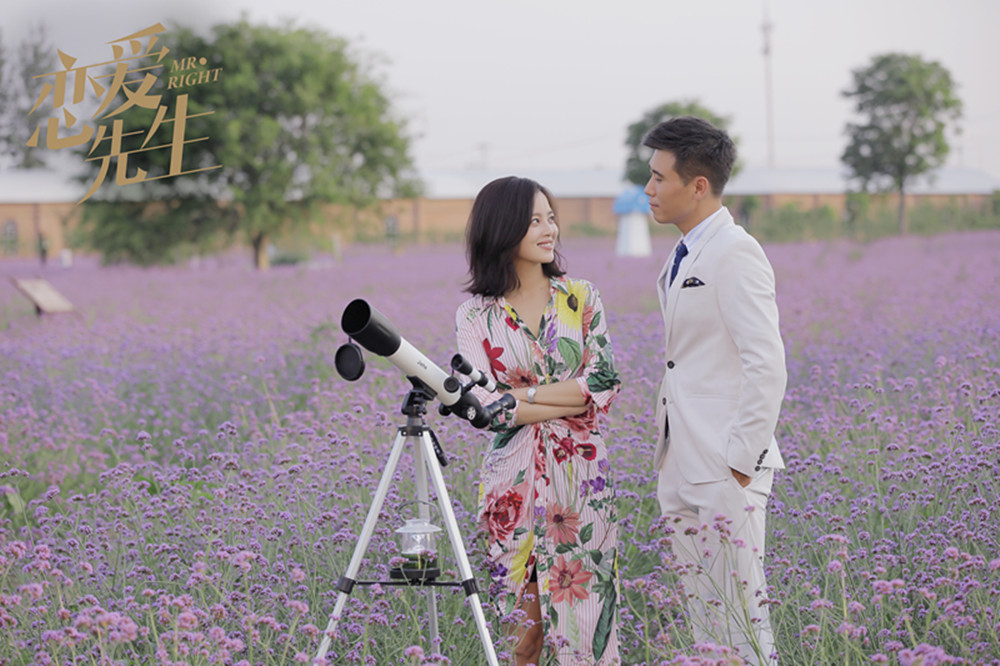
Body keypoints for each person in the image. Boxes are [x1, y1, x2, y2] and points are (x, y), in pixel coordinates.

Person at [455, 176, 622, 666]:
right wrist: (568, 399)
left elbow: (603, 383)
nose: (550, 230)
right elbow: (484, 407)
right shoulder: (474, 316)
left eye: (551, 218)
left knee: (588, 633)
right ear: (502, 228)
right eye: (534, 220)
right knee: (520, 637)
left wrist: (519, 396)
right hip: (512, 487)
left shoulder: (581, 297)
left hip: (582, 484)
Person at [645, 117, 786, 665]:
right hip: (682, 461)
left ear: (698, 185)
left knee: (744, 622)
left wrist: (741, 462)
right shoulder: (683, 253)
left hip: (726, 467)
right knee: (706, 624)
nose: (649, 188)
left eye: (660, 178)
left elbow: (766, 362)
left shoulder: (735, 251)